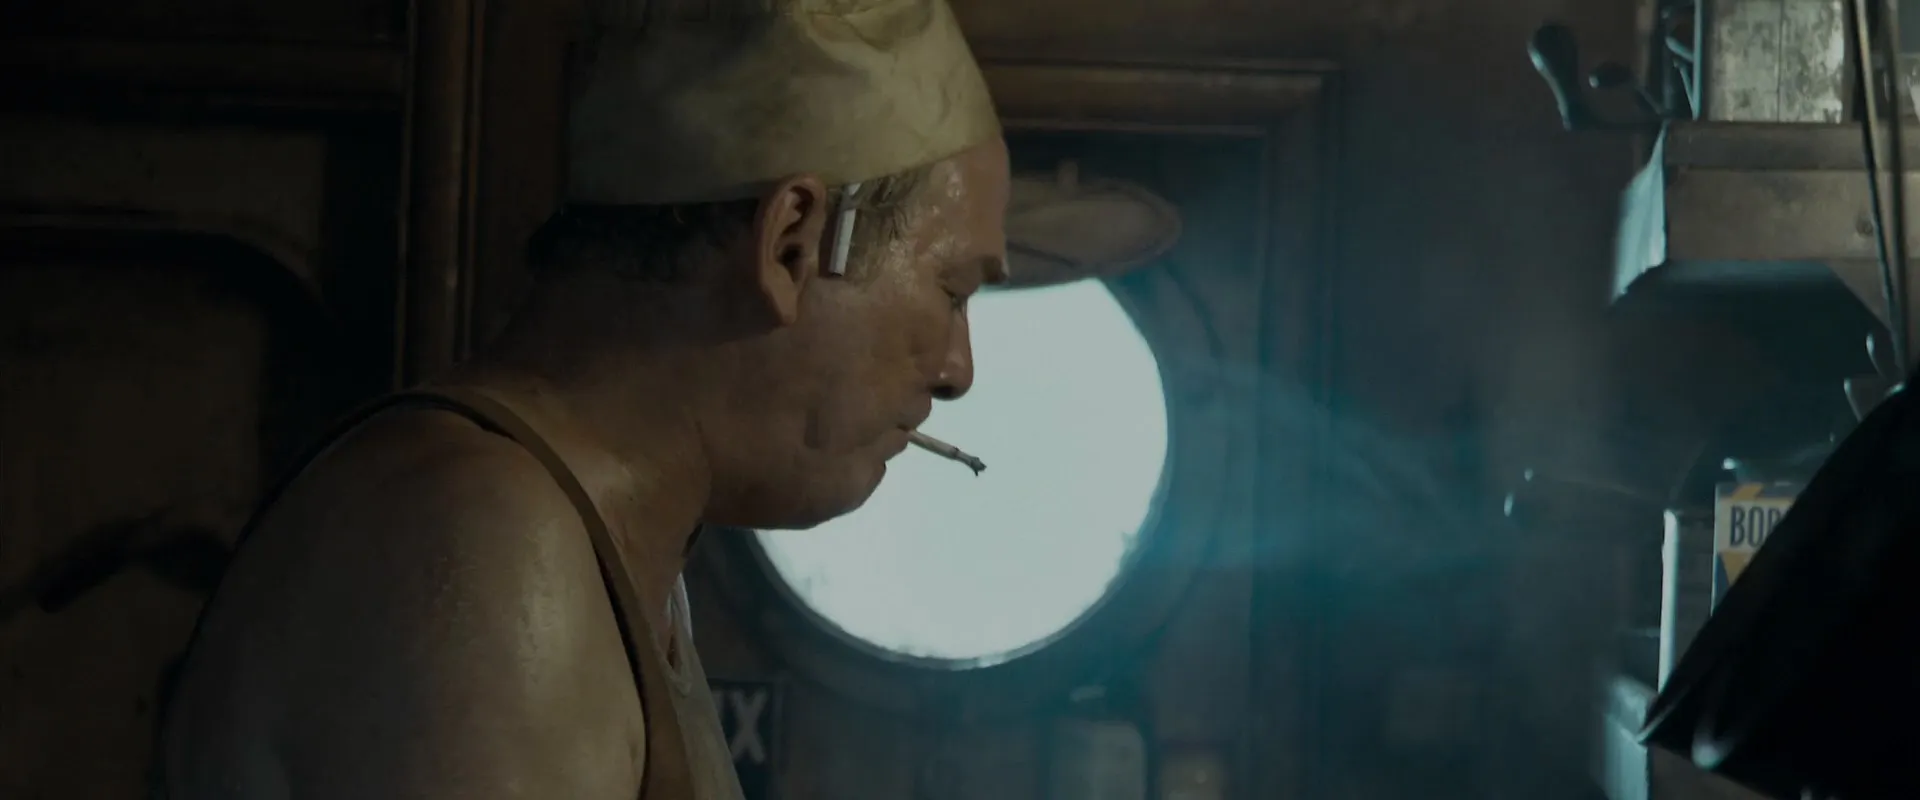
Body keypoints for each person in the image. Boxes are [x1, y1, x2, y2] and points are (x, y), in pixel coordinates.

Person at [156, 0, 1008, 796]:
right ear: (791, 241)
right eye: (953, 289)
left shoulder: (614, 554)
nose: (957, 369)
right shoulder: (492, 542)